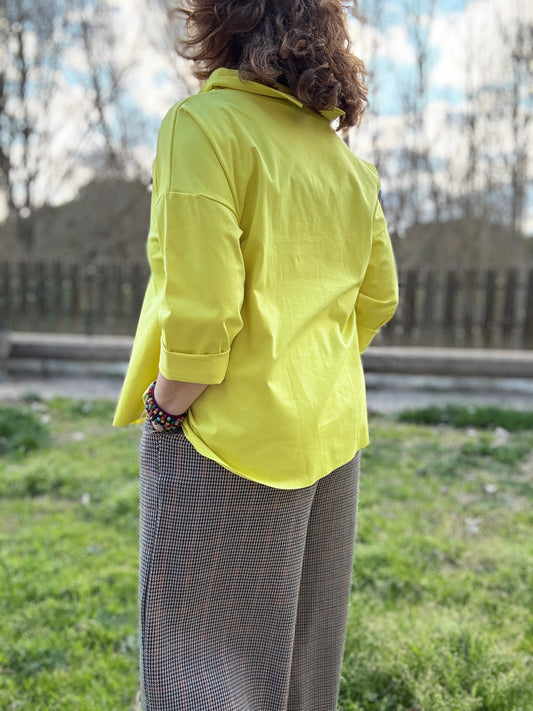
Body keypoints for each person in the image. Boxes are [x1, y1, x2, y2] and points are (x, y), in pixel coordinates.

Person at [114, 1, 398, 708]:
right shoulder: (345, 165)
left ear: (222, 24)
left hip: (223, 435)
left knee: (197, 664)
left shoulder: (203, 128)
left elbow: (204, 308)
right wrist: (312, 367)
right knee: (303, 664)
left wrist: (165, 406)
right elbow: (377, 299)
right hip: (329, 437)